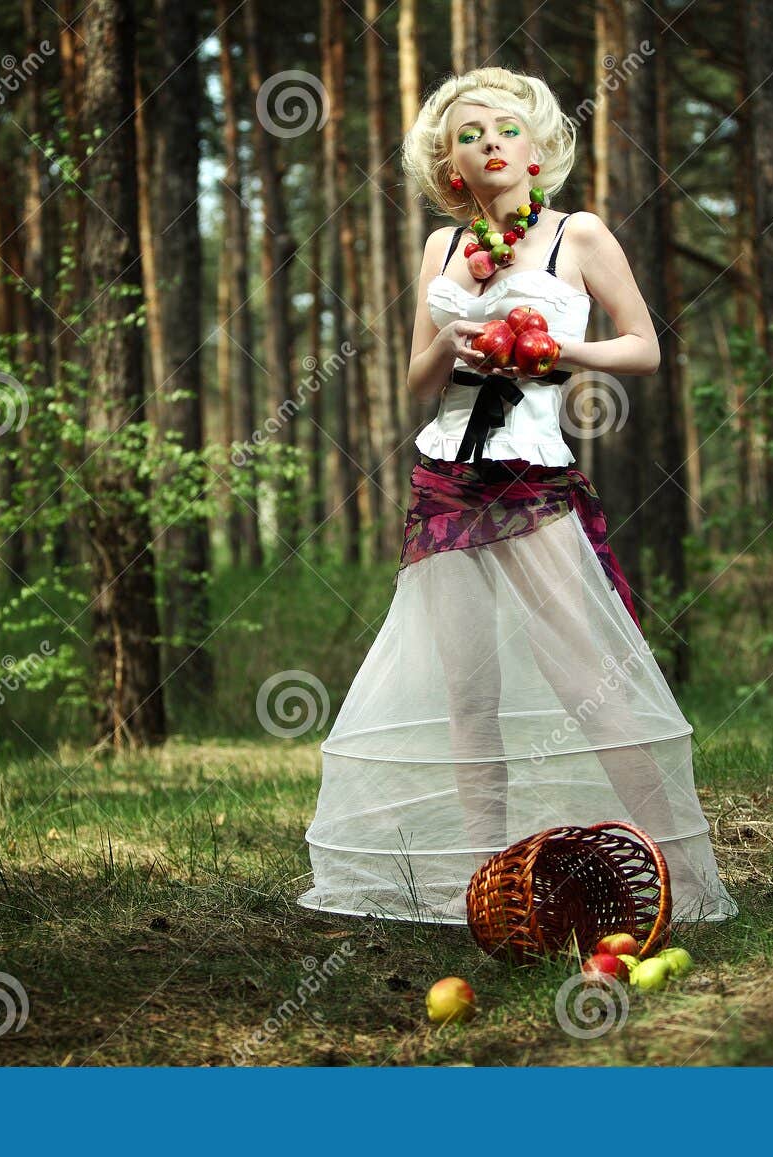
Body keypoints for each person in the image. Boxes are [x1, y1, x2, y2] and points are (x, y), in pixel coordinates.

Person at [296, 67, 738, 927]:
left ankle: (673, 877)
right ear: (452, 166)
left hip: (531, 475)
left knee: (590, 674)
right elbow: (419, 381)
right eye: (468, 134)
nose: (489, 141)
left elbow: (645, 348)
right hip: (444, 479)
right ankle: (488, 886)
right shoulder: (443, 248)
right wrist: (458, 340)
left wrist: (557, 356)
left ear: (536, 150)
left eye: (504, 127)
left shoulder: (580, 235)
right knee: (470, 691)